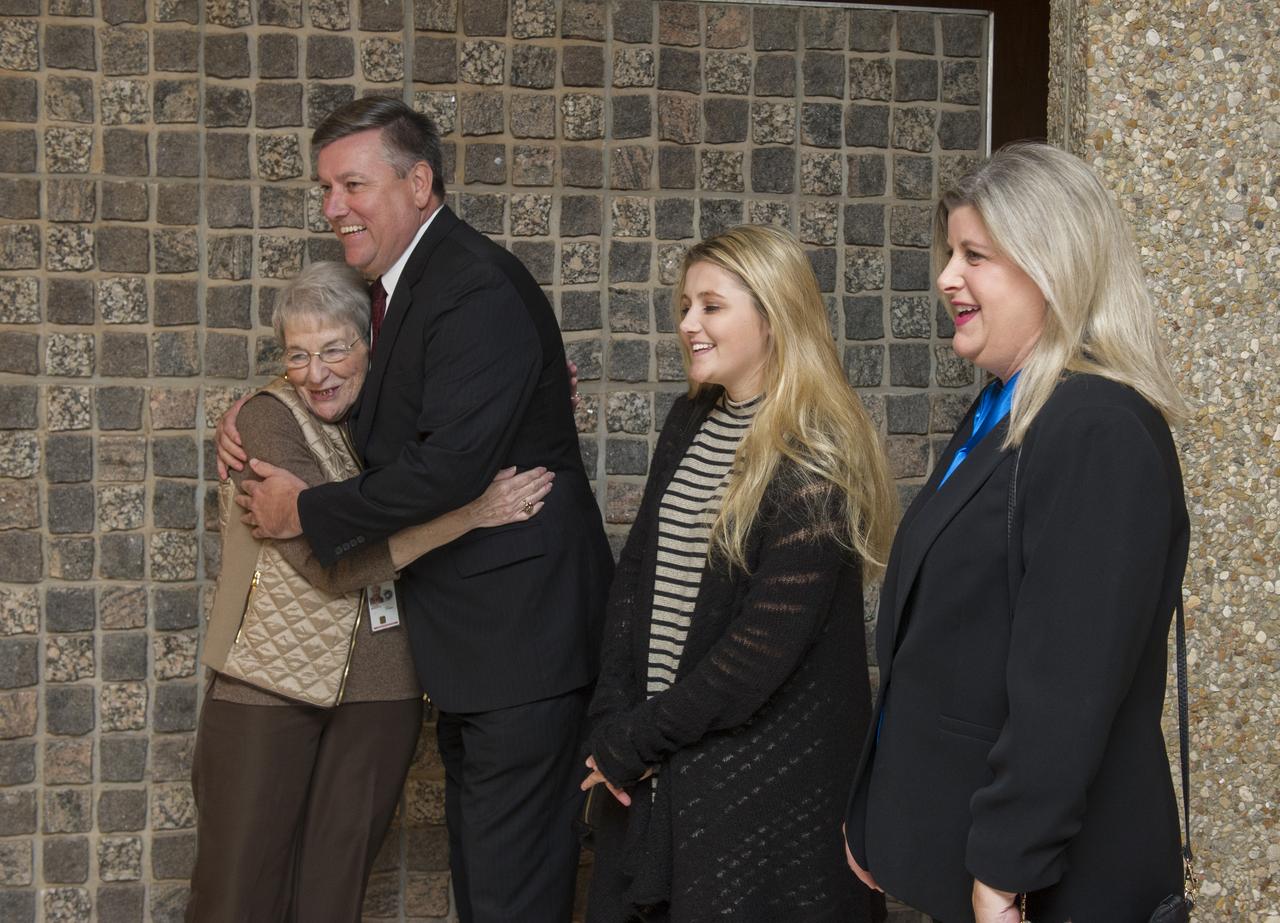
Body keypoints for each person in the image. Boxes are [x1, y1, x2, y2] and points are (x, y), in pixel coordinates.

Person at [217, 97, 614, 923]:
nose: (333, 208)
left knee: (509, 893)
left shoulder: (471, 286)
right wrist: (266, 406)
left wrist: (308, 510)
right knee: (491, 884)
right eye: (325, 189)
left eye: (351, 184)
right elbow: (385, 419)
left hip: (520, 649)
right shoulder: (404, 289)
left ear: (420, 182)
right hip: (478, 650)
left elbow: (448, 465)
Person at [843, 143, 1191, 923]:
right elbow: (939, 639)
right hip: (969, 860)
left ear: (1051, 267)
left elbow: (1067, 684)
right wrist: (879, 809)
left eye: (975, 255)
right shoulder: (1006, 406)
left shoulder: (1096, 425)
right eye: (949, 253)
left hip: (1042, 883)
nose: (945, 278)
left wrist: (1006, 869)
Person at [188, 261, 554, 921]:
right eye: (297, 354)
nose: (316, 372)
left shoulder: (408, 418)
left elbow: (480, 410)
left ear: (373, 347)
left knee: (333, 899)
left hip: (381, 690)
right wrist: (469, 514)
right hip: (267, 682)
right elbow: (333, 565)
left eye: (334, 348)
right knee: (236, 891)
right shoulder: (268, 420)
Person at [582, 226, 897, 922]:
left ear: (773, 314)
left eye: (711, 306)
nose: (688, 323)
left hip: (760, 795)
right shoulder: (691, 416)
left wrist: (633, 741)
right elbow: (635, 577)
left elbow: (758, 656)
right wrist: (610, 718)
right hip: (659, 768)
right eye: (686, 305)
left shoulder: (816, 449)